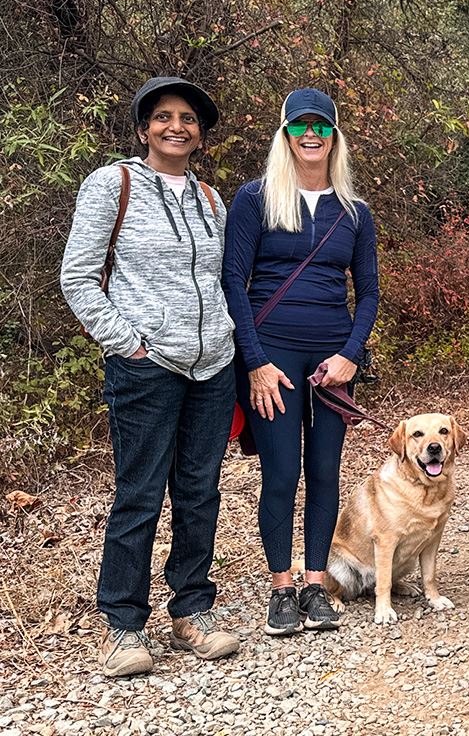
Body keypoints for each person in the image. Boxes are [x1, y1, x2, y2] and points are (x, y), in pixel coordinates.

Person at [61, 76, 240, 677]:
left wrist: (227, 344)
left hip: (211, 366)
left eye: (188, 119)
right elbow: (78, 277)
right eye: (163, 116)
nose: (177, 126)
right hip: (146, 367)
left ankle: (192, 611)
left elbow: (219, 284)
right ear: (143, 129)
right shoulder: (113, 186)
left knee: (200, 491)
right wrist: (127, 343)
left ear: (199, 135)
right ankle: (123, 626)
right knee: (139, 494)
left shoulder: (211, 201)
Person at [222, 88, 379, 636]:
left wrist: (350, 356)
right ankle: (282, 588)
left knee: (324, 472)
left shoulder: (355, 212)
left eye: (321, 126)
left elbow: (370, 294)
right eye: (299, 126)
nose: (310, 135)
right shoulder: (255, 199)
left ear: (334, 135)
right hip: (274, 358)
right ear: (284, 133)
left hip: (331, 360)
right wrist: (256, 362)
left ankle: (316, 584)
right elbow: (233, 285)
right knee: (282, 473)